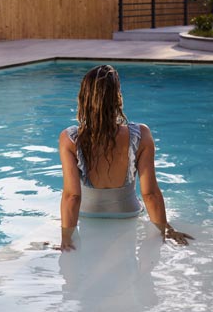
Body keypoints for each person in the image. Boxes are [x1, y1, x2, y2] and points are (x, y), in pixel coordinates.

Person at [58, 64, 192, 251]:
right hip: (127, 214)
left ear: (83, 98)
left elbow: (72, 196)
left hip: (88, 214)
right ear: (117, 98)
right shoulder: (141, 135)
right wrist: (165, 230)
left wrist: (66, 238)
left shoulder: (70, 139)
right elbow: (150, 193)